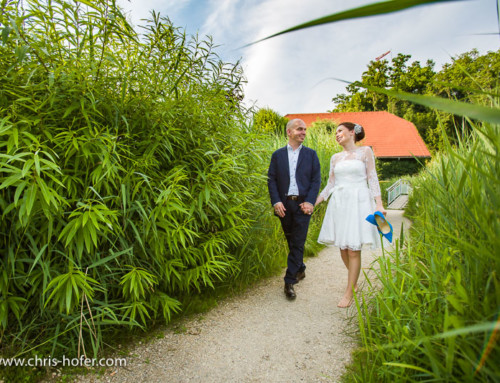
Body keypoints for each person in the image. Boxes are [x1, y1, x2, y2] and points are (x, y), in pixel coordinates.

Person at [315, 122, 386, 308]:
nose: (337, 134)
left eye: (340, 131)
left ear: (352, 132)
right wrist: (314, 201)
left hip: (358, 201)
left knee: (354, 248)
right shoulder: (335, 158)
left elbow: (372, 179)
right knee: (343, 248)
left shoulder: (365, 152)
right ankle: (354, 282)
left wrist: (379, 204)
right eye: (335, 132)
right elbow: (330, 184)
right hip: (339, 203)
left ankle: (349, 292)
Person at [268, 119, 321, 300]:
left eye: (305, 129)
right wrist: (276, 202)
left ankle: (289, 281)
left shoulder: (311, 155)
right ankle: (300, 269)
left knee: (298, 241)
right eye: (300, 129)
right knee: (291, 240)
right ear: (289, 132)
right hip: (284, 205)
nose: (304, 132)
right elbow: (272, 180)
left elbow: (316, 181)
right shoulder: (277, 155)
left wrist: (310, 202)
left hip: (302, 205)